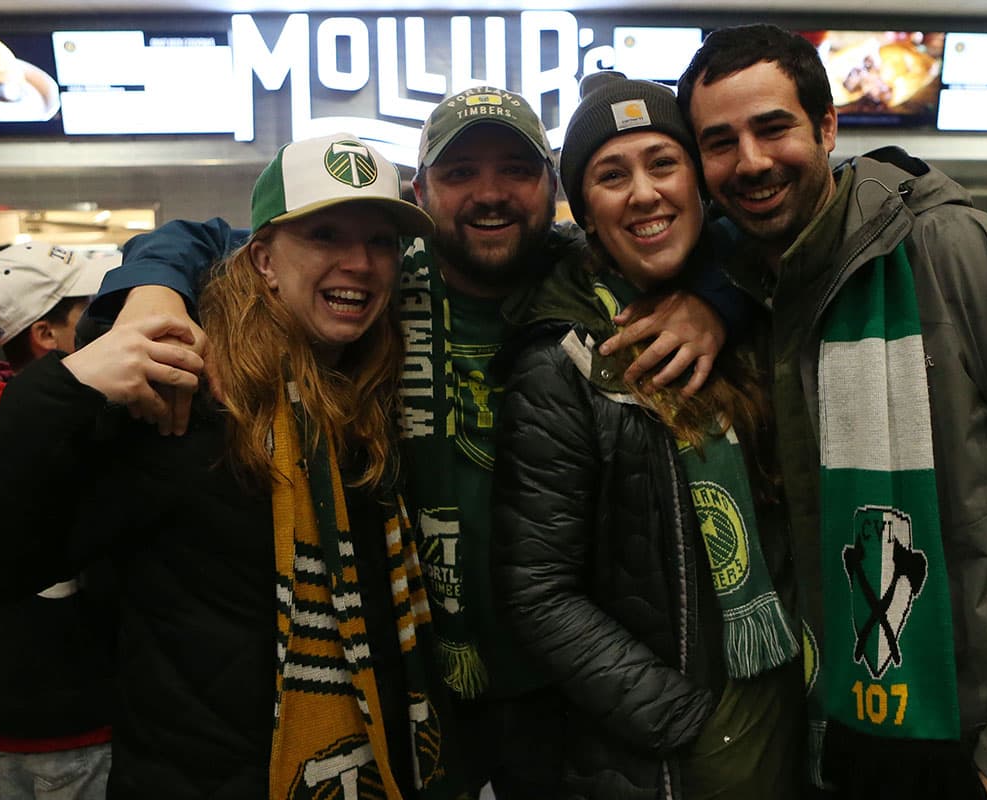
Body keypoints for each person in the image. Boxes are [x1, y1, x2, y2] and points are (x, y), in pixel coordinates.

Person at [80, 84, 738, 799]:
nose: (489, 194)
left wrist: (713, 297)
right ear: (420, 191)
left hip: (571, 683)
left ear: (553, 187)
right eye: (459, 174)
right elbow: (208, 241)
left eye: (515, 170)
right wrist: (150, 288)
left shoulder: (593, 281)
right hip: (416, 670)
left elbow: (730, 232)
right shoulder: (378, 277)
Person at [601, 23, 987, 800]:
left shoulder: (966, 256)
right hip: (842, 730)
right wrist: (714, 299)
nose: (753, 160)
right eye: (721, 142)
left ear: (828, 127)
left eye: (774, 127)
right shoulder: (759, 296)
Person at [0, 132, 468, 800]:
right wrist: (66, 387)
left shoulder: (378, 394)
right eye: (325, 235)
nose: (360, 262)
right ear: (264, 259)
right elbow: (10, 559)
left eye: (381, 241)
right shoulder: (188, 396)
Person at [490, 71, 807, 799]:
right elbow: (539, 592)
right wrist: (688, 722)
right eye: (611, 175)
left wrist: (719, 303)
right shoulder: (563, 360)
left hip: (803, 701)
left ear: (701, 185)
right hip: (678, 749)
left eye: (664, 163)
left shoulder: (762, 311)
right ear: (587, 213)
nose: (643, 193)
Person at [0, 243, 119, 800]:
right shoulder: (56, 433)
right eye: (91, 309)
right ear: (46, 335)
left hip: (14, 721)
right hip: (65, 726)